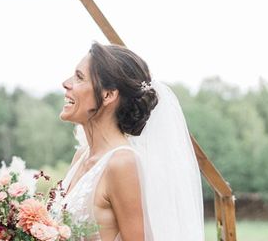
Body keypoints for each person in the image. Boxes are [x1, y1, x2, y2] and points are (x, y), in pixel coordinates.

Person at [57, 42, 204, 240]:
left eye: (79, 77)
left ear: (108, 95)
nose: (66, 83)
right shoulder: (81, 156)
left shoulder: (122, 163)